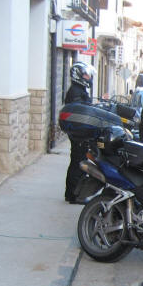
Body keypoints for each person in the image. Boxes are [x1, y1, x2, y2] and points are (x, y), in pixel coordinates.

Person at [64, 62, 95, 203]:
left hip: (79, 131)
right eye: (86, 75)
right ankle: (74, 195)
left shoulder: (79, 90)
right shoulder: (76, 91)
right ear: (78, 75)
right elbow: (80, 111)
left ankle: (72, 193)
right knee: (78, 162)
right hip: (78, 132)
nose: (88, 77)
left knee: (78, 160)